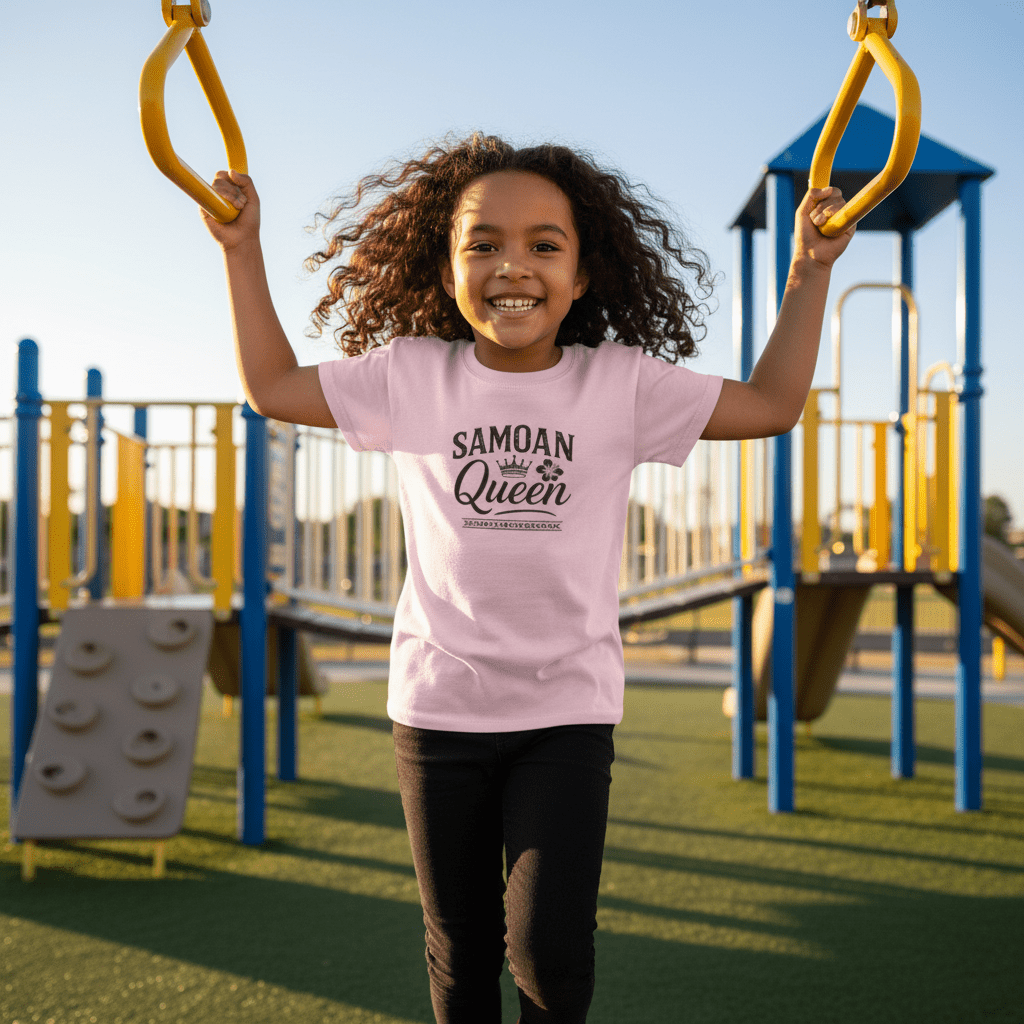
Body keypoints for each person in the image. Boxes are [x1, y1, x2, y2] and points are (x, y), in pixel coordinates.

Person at [201, 133, 853, 1024]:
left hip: (566, 712)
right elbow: (273, 385)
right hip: (437, 711)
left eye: (545, 245)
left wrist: (809, 271)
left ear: (583, 276)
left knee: (550, 950)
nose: (515, 266)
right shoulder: (411, 376)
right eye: (484, 244)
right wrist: (242, 251)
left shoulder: (619, 386)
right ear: (445, 268)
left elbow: (773, 406)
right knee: (461, 953)